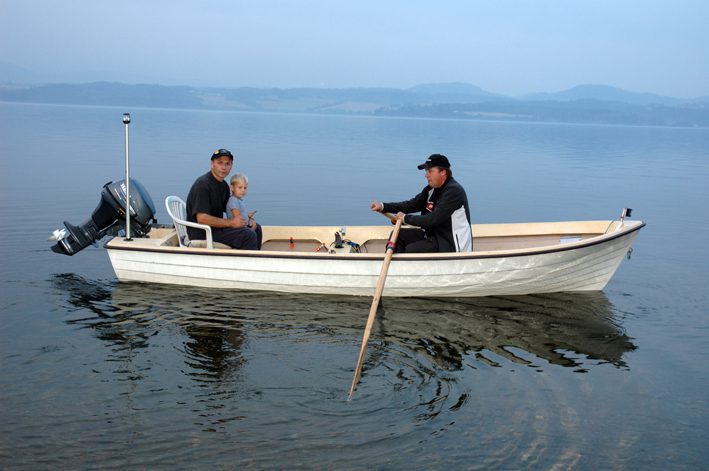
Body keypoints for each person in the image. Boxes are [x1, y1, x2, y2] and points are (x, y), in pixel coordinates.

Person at [370, 153, 473, 253]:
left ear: (443, 172)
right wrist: (383, 206)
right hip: (433, 236)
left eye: (430, 171)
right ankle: (395, 267)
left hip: (450, 244)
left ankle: (402, 266)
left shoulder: (453, 191)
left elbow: (434, 219)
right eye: (426, 171)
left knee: (412, 249)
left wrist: (405, 218)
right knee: (397, 235)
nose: (426, 175)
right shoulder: (431, 190)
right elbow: (410, 205)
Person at [185, 149, 258, 250]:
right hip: (202, 232)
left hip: (216, 228)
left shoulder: (223, 185)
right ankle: (247, 263)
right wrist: (231, 223)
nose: (224, 167)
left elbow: (230, 208)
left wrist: (246, 218)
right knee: (248, 235)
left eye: (227, 164)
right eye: (220, 163)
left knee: (256, 228)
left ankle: (256, 260)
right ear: (212, 164)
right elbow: (202, 218)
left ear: (231, 166)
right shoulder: (203, 185)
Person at [227, 173, 262, 249]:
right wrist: (251, 228)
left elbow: (241, 215)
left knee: (258, 227)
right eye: (240, 187)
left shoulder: (238, 200)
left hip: (242, 225)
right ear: (232, 188)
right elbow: (238, 220)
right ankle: (253, 253)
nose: (243, 190)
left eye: (245, 188)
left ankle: (257, 250)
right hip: (236, 229)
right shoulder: (233, 201)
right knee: (253, 232)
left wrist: (248, 217)